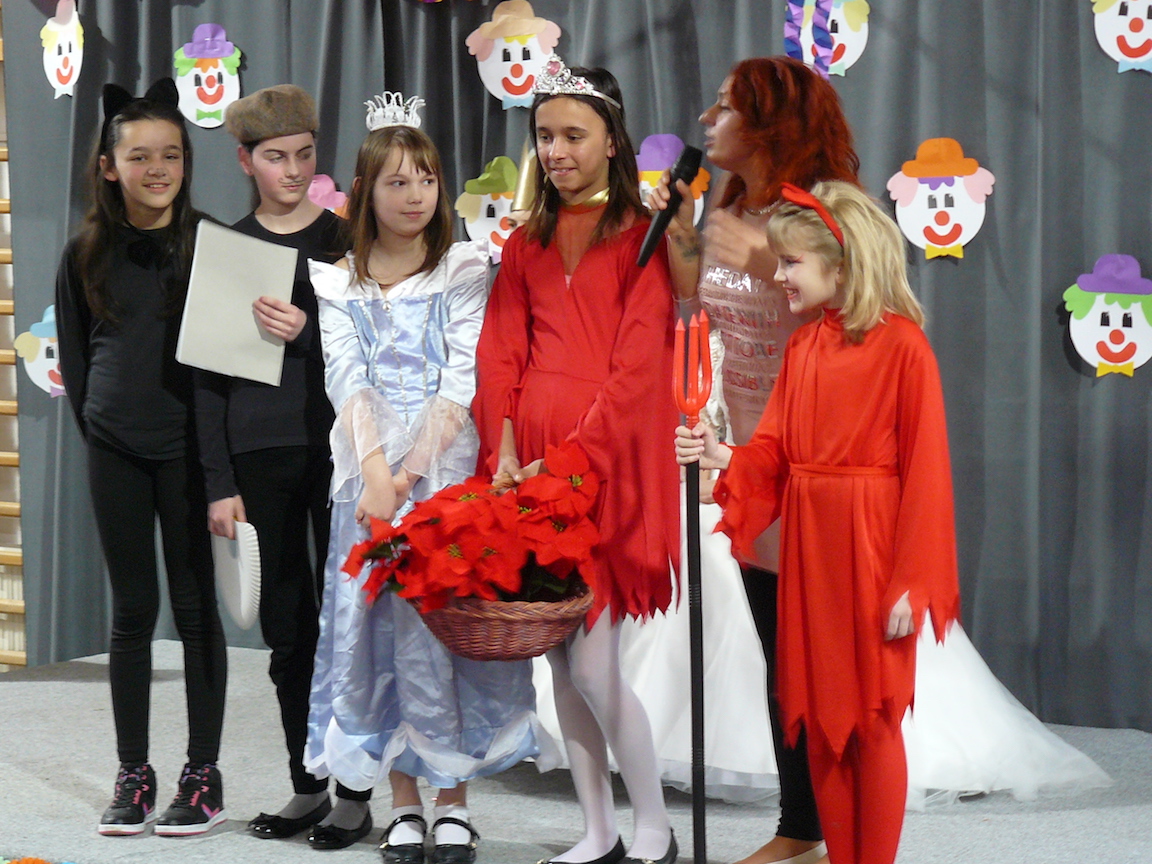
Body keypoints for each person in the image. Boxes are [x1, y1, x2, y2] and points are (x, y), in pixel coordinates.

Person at [675, 181, 963, 864]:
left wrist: (911, 580)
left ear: (842, 263)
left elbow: (928, 475)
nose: (778, 276)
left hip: (871, 549)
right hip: (812, 550)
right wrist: (722, 454)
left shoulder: (904, 348)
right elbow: (774, 452)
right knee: (820, 714)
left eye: (790, 262)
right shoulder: (804, 347)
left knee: (874, 716)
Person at [304, 96, 545, 860]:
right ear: (365, 191)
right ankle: (403, 801)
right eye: (398, 182)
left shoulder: (463, 268)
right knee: (380, 638)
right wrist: (375, 475)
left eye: (428, 179)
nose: (415, 196)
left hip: (443, 478)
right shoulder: (338, 281)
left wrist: (408, 477)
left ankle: (454, 801)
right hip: (368, 482)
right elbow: (346, 378)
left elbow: (462, 374)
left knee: (444, 635)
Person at [648, 55, 859, 864]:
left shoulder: (827, 211)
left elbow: (867, 316)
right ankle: (801, 826)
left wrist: (770, 260)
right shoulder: (731, 206)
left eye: (726, 107)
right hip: (752, 461)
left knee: (819, 656)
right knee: (778, 651)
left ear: (771, 123)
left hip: (820, 463)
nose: (707, 120)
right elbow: (695, 304)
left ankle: (843, 826)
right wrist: (682, 232)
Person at [473, 59, 680, 864]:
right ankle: (598, 831)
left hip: (604, 467)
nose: (555, 151)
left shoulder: (641, 239)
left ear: (612, 140)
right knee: (560, 664)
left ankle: (654, 825)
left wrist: (571, 462)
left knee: (593, 663)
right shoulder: (524, 241)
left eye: (573, 135)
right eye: (544, 136)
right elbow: (501, 352)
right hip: (529, 465)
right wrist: (505, 449)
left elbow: (637, 369)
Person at [55, 78, 228, 837]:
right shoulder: (84, 252)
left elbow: (229, 364)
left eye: (172, 155)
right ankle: (134, 771)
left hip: (189, 453)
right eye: (139, 156)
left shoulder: (211, 244)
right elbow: (78, 359)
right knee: (132, 612)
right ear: (108, 166)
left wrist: (217, 464)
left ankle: (202, 772)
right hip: (116, 450)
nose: (158, 169)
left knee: (195, 610)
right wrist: (104, 431)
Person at [192, 84, 342, 840]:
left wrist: (307, 331)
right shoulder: (229, 248)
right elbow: (207, 380)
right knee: (289, 628)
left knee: (352, 622)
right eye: (277, 157)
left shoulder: (346, 239)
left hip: (343, 452)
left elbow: (384, 348)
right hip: (260, 453)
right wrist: (219, 483)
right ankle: (307, 784)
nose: (294, 170)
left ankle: (358, 792)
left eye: (305, 154)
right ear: (245, 160)